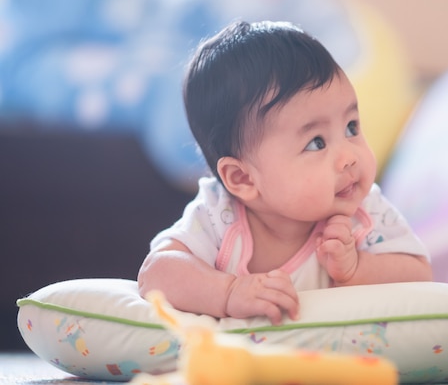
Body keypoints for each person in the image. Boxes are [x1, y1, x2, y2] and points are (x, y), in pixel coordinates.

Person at [138, 20, 432, 326]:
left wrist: (357, 268)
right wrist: (228, 292)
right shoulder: (218, 215)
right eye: (316, 143)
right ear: (243, 179)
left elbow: (420, 275)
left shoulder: (364, 212)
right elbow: (155, 274)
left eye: (351, 127)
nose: (349, 157)